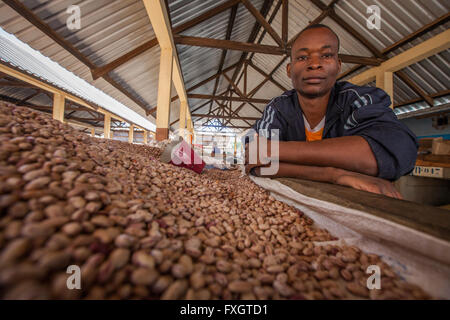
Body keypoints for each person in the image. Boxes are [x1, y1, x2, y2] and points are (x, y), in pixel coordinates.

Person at [244, 24, 418, 199]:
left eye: (326, 55)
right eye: (303, 57)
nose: (314, 64)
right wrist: (334, 174)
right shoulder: (279, 108)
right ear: (289, 70)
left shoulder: (358, 100)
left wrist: (273, 150)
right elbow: (253, 160)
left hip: (358, 204)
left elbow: (398, 150)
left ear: (338, 65)